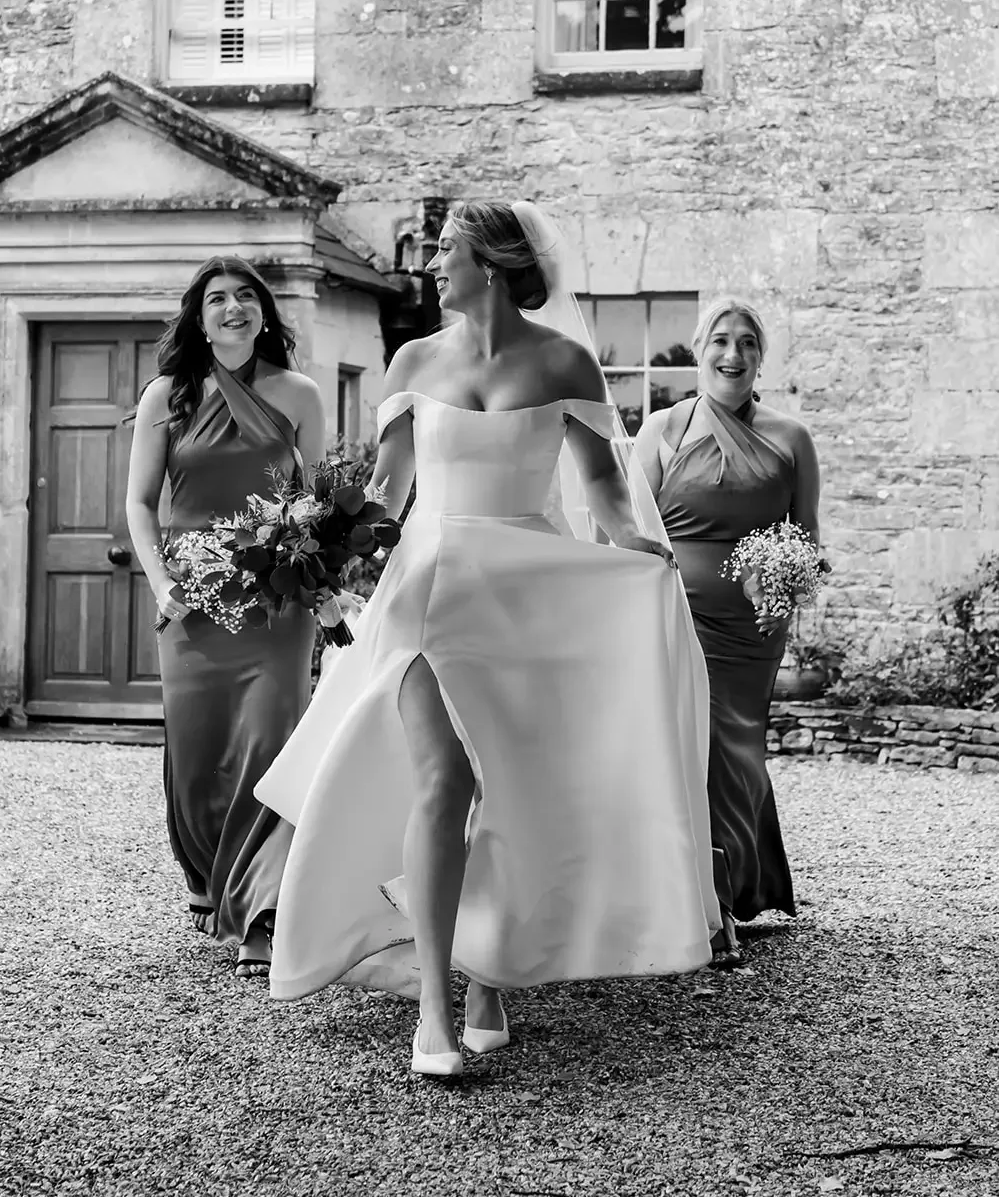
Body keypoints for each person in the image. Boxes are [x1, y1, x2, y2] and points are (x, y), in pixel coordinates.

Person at [254, 201, 719, 1077]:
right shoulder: (414, 359)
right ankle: (433, 1003)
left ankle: (487, 971)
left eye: (445, 251)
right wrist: (313, 547)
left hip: (525, 598)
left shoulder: (565, 361)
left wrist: (642, 558)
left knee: (508, 791)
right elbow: (386, 498)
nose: (431, 264)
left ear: (495, 265)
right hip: (427, 592)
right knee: (444, 779)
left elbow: (607, 499)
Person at [126, 256, 324, 976]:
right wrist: (158, 580)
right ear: (199, 317)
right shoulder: (168, 395)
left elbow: (314, 496)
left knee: (270, 739)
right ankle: (213, 876)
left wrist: (315, 559)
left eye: (245, 296)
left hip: (275, 596)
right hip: (193, 594)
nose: (233, 308)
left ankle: (262, 909)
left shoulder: (298, 393)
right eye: (218, 299)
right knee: (200, 749)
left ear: (263, 312)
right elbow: (138, 503)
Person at [633, 298, 821, 964]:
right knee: (694, 754)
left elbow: (809, 542)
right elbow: (629, 536)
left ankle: (737, 887)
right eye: (719, 340)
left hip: (752, 630)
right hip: (674, 620)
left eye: (746, 342)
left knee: (737, 755)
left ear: (760, 355)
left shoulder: (791, 438)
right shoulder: (660, 430)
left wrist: (783, 580)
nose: (731, 354)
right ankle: (706, 910)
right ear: (696, 348)